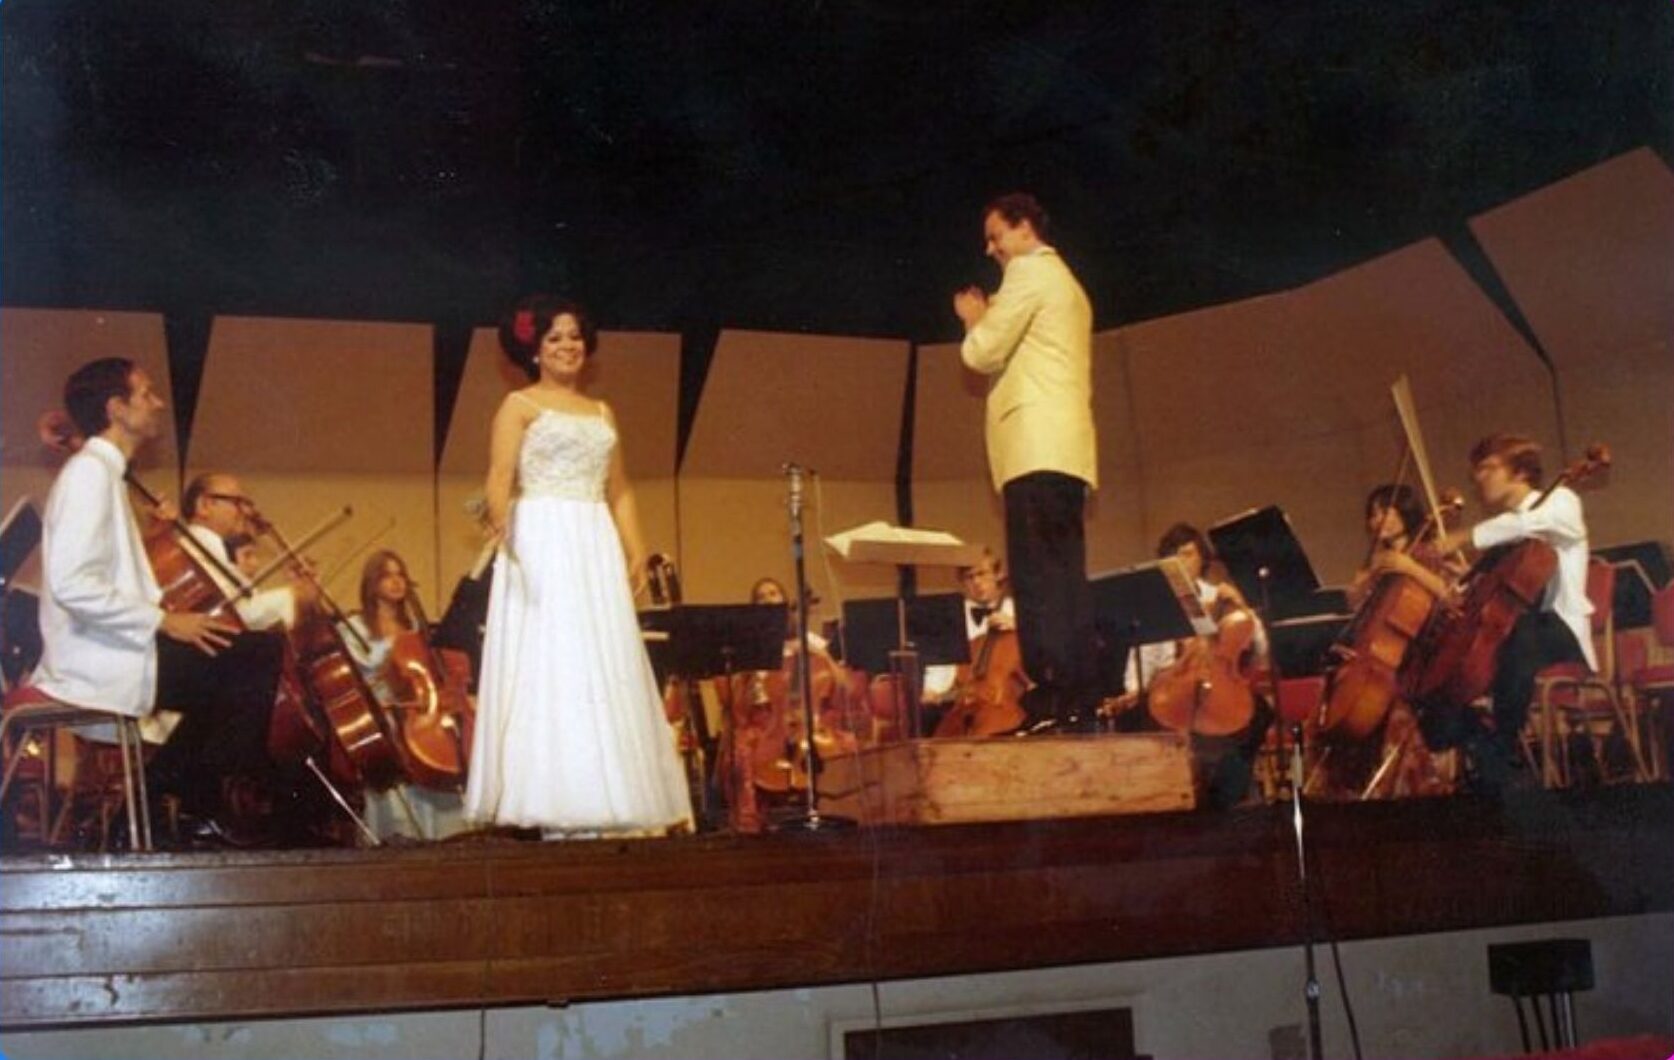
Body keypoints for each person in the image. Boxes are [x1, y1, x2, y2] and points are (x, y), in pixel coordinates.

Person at [465, 295, 691, 839]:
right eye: (554, 338)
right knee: (554, 662)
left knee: (601, 659)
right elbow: (499, 476)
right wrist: (500, 522)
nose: (568, 346)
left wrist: (636, 549)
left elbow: (621, 490)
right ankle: (553, 800)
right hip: (543, 536)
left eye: (574, 336)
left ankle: (603, 800)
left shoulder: (602, 412)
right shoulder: (518, 405)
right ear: (534, 350)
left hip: (593, 539)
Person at [30, 358, 278, 846]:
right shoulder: (89, 475)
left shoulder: (102, 472)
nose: (159, 402)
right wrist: (164, 620)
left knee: (242, 666)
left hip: (115, 646)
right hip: (98, 657)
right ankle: (186, 805)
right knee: (254, 658)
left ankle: (166, 805)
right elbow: (73, 584)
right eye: (145, 393)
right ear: (116, 409)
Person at [953, 192, 1098, 731]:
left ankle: (1053, 695)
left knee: (1037, 578)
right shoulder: (1068, 283)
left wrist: (974, 321)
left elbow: (983, 352)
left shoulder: (1028, 272)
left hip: (1034, 449)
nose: (990, 249)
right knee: (1065, 578)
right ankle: (1075, 695)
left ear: (1023, 229)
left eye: (995, 236)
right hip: (1065, 451)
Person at [1426, 433, 1594, 792]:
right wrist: (1467, 580)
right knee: (1453, 655)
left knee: (1519, 637)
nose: (1478, 478)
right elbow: (1500, 593)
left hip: (1559, 631)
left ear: (1520, 472)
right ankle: (1477, 740)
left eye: (1488, 468)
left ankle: (1501, 747)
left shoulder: (1561, 501)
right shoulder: (1508, 529)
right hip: (1514, 631)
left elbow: (1529, 523)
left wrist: (1464, 536)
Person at [339, 549, 467, 840]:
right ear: (372, 583)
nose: (397, 582)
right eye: (387, 576)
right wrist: (390, 653)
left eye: (401, 575)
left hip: (418, 712)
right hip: (384, 713)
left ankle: (439, 835)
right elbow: (357, 672)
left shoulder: (414, 627)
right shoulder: (355, 627)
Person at [921, 548, 1018, 704]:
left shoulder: (1017, 612)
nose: (976, 582)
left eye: (982, 573)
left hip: (1007, 701)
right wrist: (932, 689)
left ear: (998, 575)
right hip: (961, 700)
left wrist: (1017, 628)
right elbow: (942, 662)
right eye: (969, 577)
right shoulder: (952, 615)